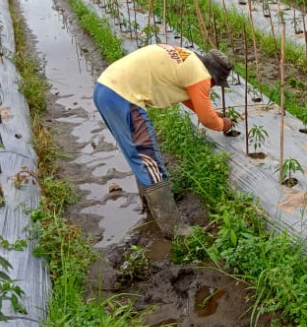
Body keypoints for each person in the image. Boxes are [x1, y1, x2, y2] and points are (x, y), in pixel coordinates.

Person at [94, 44, 234, 237]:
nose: (212, 87)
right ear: (214, 77)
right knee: (147, 156)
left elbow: (190, 99)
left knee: (137, 155)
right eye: (216, 84)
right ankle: (173, 228)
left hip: (106, 88)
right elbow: (207, 119)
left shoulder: (188, 58)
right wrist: (223, 124)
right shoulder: (201, 75)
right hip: (123, 96)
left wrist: (213, 114)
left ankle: (150, 205)